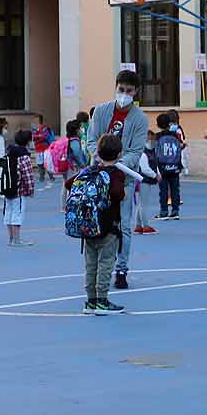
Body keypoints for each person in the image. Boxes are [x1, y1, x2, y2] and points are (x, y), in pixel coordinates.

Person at [90, 70, 150, 290]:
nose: (124, 94)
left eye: (129, 91)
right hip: (98, 178)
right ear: (115, 88)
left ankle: (121, 269)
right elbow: (91, 141)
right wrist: (100, 159)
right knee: (97, 224)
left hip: (123, 180)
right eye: (121, 90)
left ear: (136, 93)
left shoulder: (140, 119)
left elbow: (136, 150)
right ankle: (97, 269)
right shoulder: (101, 111)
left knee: (123, 226)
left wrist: (119, 163)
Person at [80, 134, 129, 314]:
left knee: (90, 265)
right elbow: (118, 194)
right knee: (106, 264)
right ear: (119, 154)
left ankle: (90, 301)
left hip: (88, 225)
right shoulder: (116, 173)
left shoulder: (90, 170)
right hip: (108, 227)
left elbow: (71, 183)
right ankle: (102, 300)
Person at [1, 128, 37, 247]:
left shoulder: (9, 153)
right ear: (27, 142)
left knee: (9, 212)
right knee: (18, 213)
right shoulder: (24, 156)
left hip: (8, 188)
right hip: (19, 190)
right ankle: (17, 239)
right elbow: (28, 175)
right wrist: (31, 190)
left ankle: (11, 237)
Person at [152, 111, 186, 221]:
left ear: (157, 125)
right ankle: (175, 211)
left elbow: (153, 151)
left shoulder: (157, 137)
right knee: (175, 189)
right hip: (175, 166)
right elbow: (180, 146)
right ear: (169, 124)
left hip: (162, 167)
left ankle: (164, 211)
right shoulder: (175, 135)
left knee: (163, 190)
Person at [31, 113, 52, 183]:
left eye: (35, 120)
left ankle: (51, 176)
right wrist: (39, 136)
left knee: (46, 163)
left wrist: (38, 137)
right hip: (38, 149)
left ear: (39, 120)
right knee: (39, 163)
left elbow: (44, 136)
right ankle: (41, 176)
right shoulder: (34, 129)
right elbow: (33, 137)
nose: (33, 122)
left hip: (45, 148)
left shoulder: (44, 128)